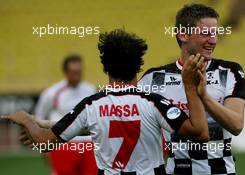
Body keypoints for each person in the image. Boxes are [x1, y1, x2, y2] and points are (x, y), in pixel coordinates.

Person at [2, 29, 208, 175]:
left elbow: (45, 142)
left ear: (105, 68)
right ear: (138, 67)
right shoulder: (153, 102)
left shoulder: (91, 105)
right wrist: (190, 87)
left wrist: (28, 120)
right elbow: (200, 132)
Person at [139, 4, 245, 175]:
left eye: (215, 33)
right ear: (183, 35)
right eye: (206, 34)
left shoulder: (229, 71)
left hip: (221, 171)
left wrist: (204, 96)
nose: (213, 40)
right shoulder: (153, 78)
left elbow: (236, 125)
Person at [34, 54, 98, 175]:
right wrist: (44, 147)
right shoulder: (52, 93)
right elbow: (39, 117)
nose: (77, 75)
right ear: (66, 72)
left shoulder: (90, 90)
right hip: (64, 144)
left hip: (88, 145)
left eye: (79, 72)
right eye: (73, 72)